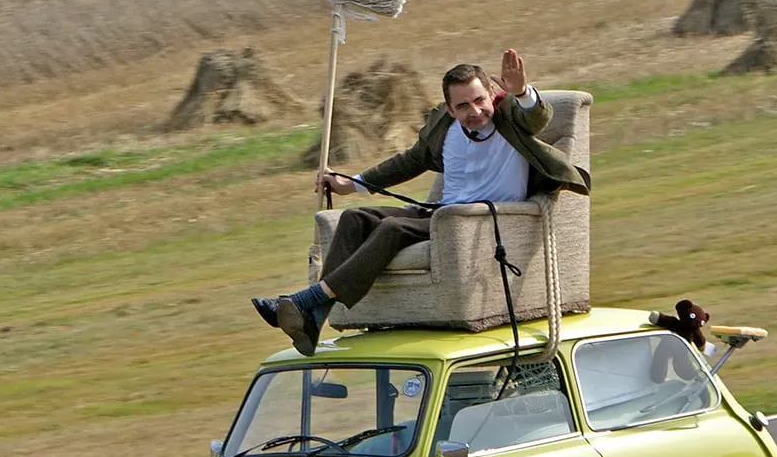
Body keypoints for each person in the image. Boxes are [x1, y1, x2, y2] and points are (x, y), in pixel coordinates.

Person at [252, 48, 590, 356]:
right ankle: (314, 320)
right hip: (439, 213)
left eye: (479, 100)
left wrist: (521, 91)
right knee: (354, 219)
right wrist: (351, 184)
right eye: (462, 106)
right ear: (449, 109)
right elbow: (408, 162)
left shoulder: (510, 117)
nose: (474, 111)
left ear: (491, 93)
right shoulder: (444, 128)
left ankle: (305, 299)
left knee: (392, 228)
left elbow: (536, 118)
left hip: (479, 221)